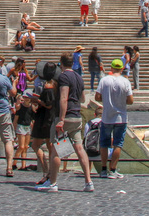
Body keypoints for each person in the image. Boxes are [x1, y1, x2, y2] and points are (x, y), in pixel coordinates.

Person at [38, 52, 93, 193]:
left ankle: (53, 183)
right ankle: (88, 182)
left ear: (61, 63)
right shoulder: (79, 77)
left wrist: (61, 120)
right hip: (76, 116)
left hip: (65, 116)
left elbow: (63, 98)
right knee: (79, 149)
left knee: (56, 151)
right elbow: (82, 98)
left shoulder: (63, 76)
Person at [94, 58, 133, 178]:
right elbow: (130, 101)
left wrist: (105, 100)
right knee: (118, 144)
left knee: (104, 143)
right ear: (122, 69)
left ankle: (104, 169)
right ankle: (113, 169)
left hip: (106, 117)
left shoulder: (104, 80)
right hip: (121, 117)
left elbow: (97, 97)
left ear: (111, 68)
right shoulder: (125, 82)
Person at [29, 62, 58, 183]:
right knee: (50, 146)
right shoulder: (56, 85)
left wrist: (38, 101)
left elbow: (48, 105)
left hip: (44, 119)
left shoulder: (48, 86)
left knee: (36, 145)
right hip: (51, 118)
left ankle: (47, 172)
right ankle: (50, 173)